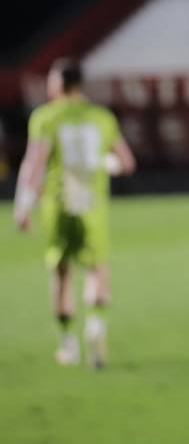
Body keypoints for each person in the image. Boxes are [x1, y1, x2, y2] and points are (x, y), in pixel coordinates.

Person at [13, 58, 136, 369]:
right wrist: (104, 163)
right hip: (92, 204)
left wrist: (23, 206)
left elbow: (34, 164)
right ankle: (95, 326)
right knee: (96, 269)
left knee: (62, 272)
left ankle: (68, 343)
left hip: (60, 204)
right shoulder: (102, 117)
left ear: (58, 83)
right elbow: (126, 162)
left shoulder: (46, 117)